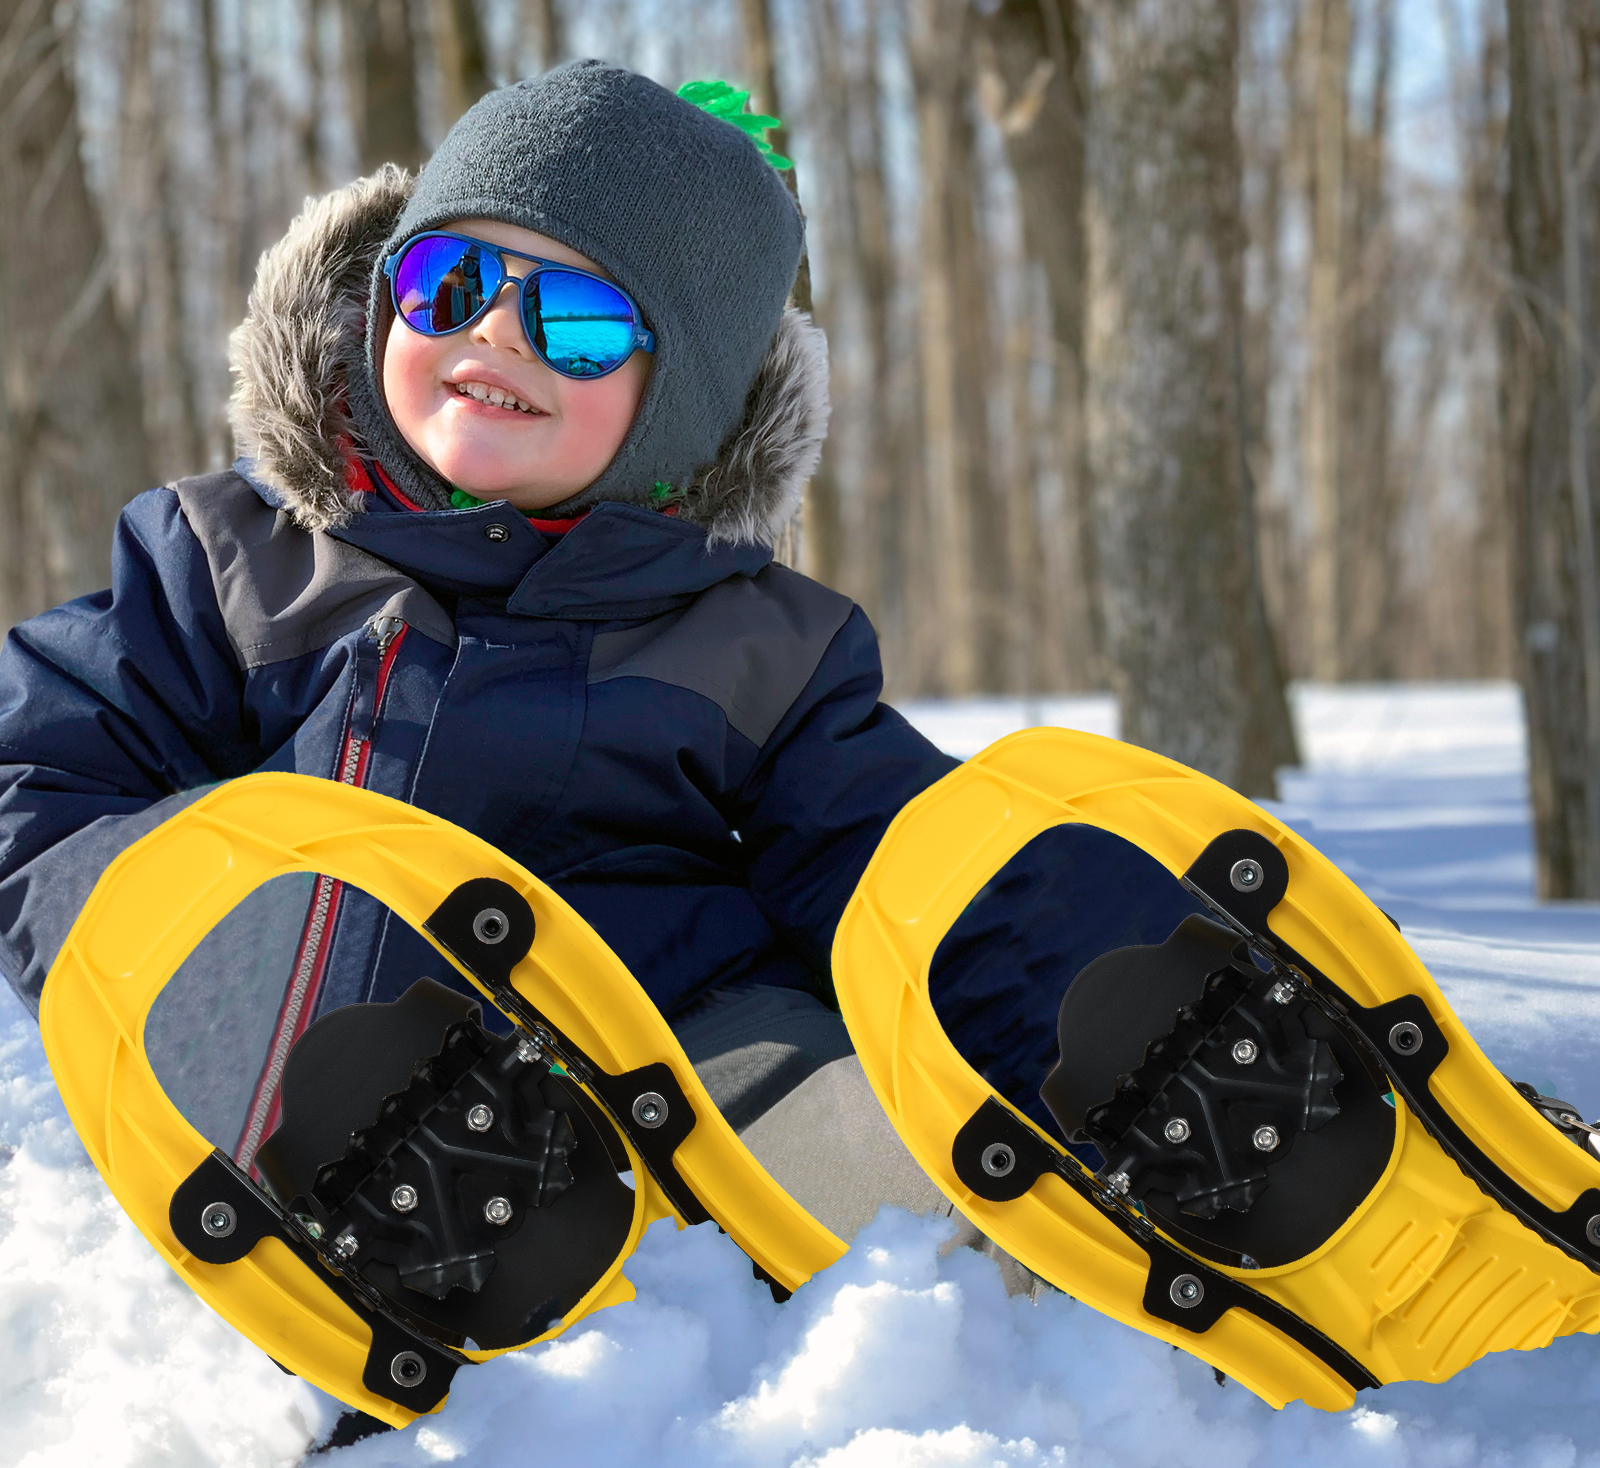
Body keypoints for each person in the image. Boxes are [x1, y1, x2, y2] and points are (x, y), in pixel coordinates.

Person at [0, 61, 1197, 1244]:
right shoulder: (234, 567)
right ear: (382, 306)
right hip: (303, 1060)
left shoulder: (757, 648)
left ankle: (1151, 1126)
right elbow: (31, 770)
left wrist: (1130, 1015)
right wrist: (190, 946)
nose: (496, 330)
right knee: (316, 995)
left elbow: (916, 881)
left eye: (577, 318)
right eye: (450, 278)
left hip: (666, 1101)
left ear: (681, 402)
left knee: (887, 1138)